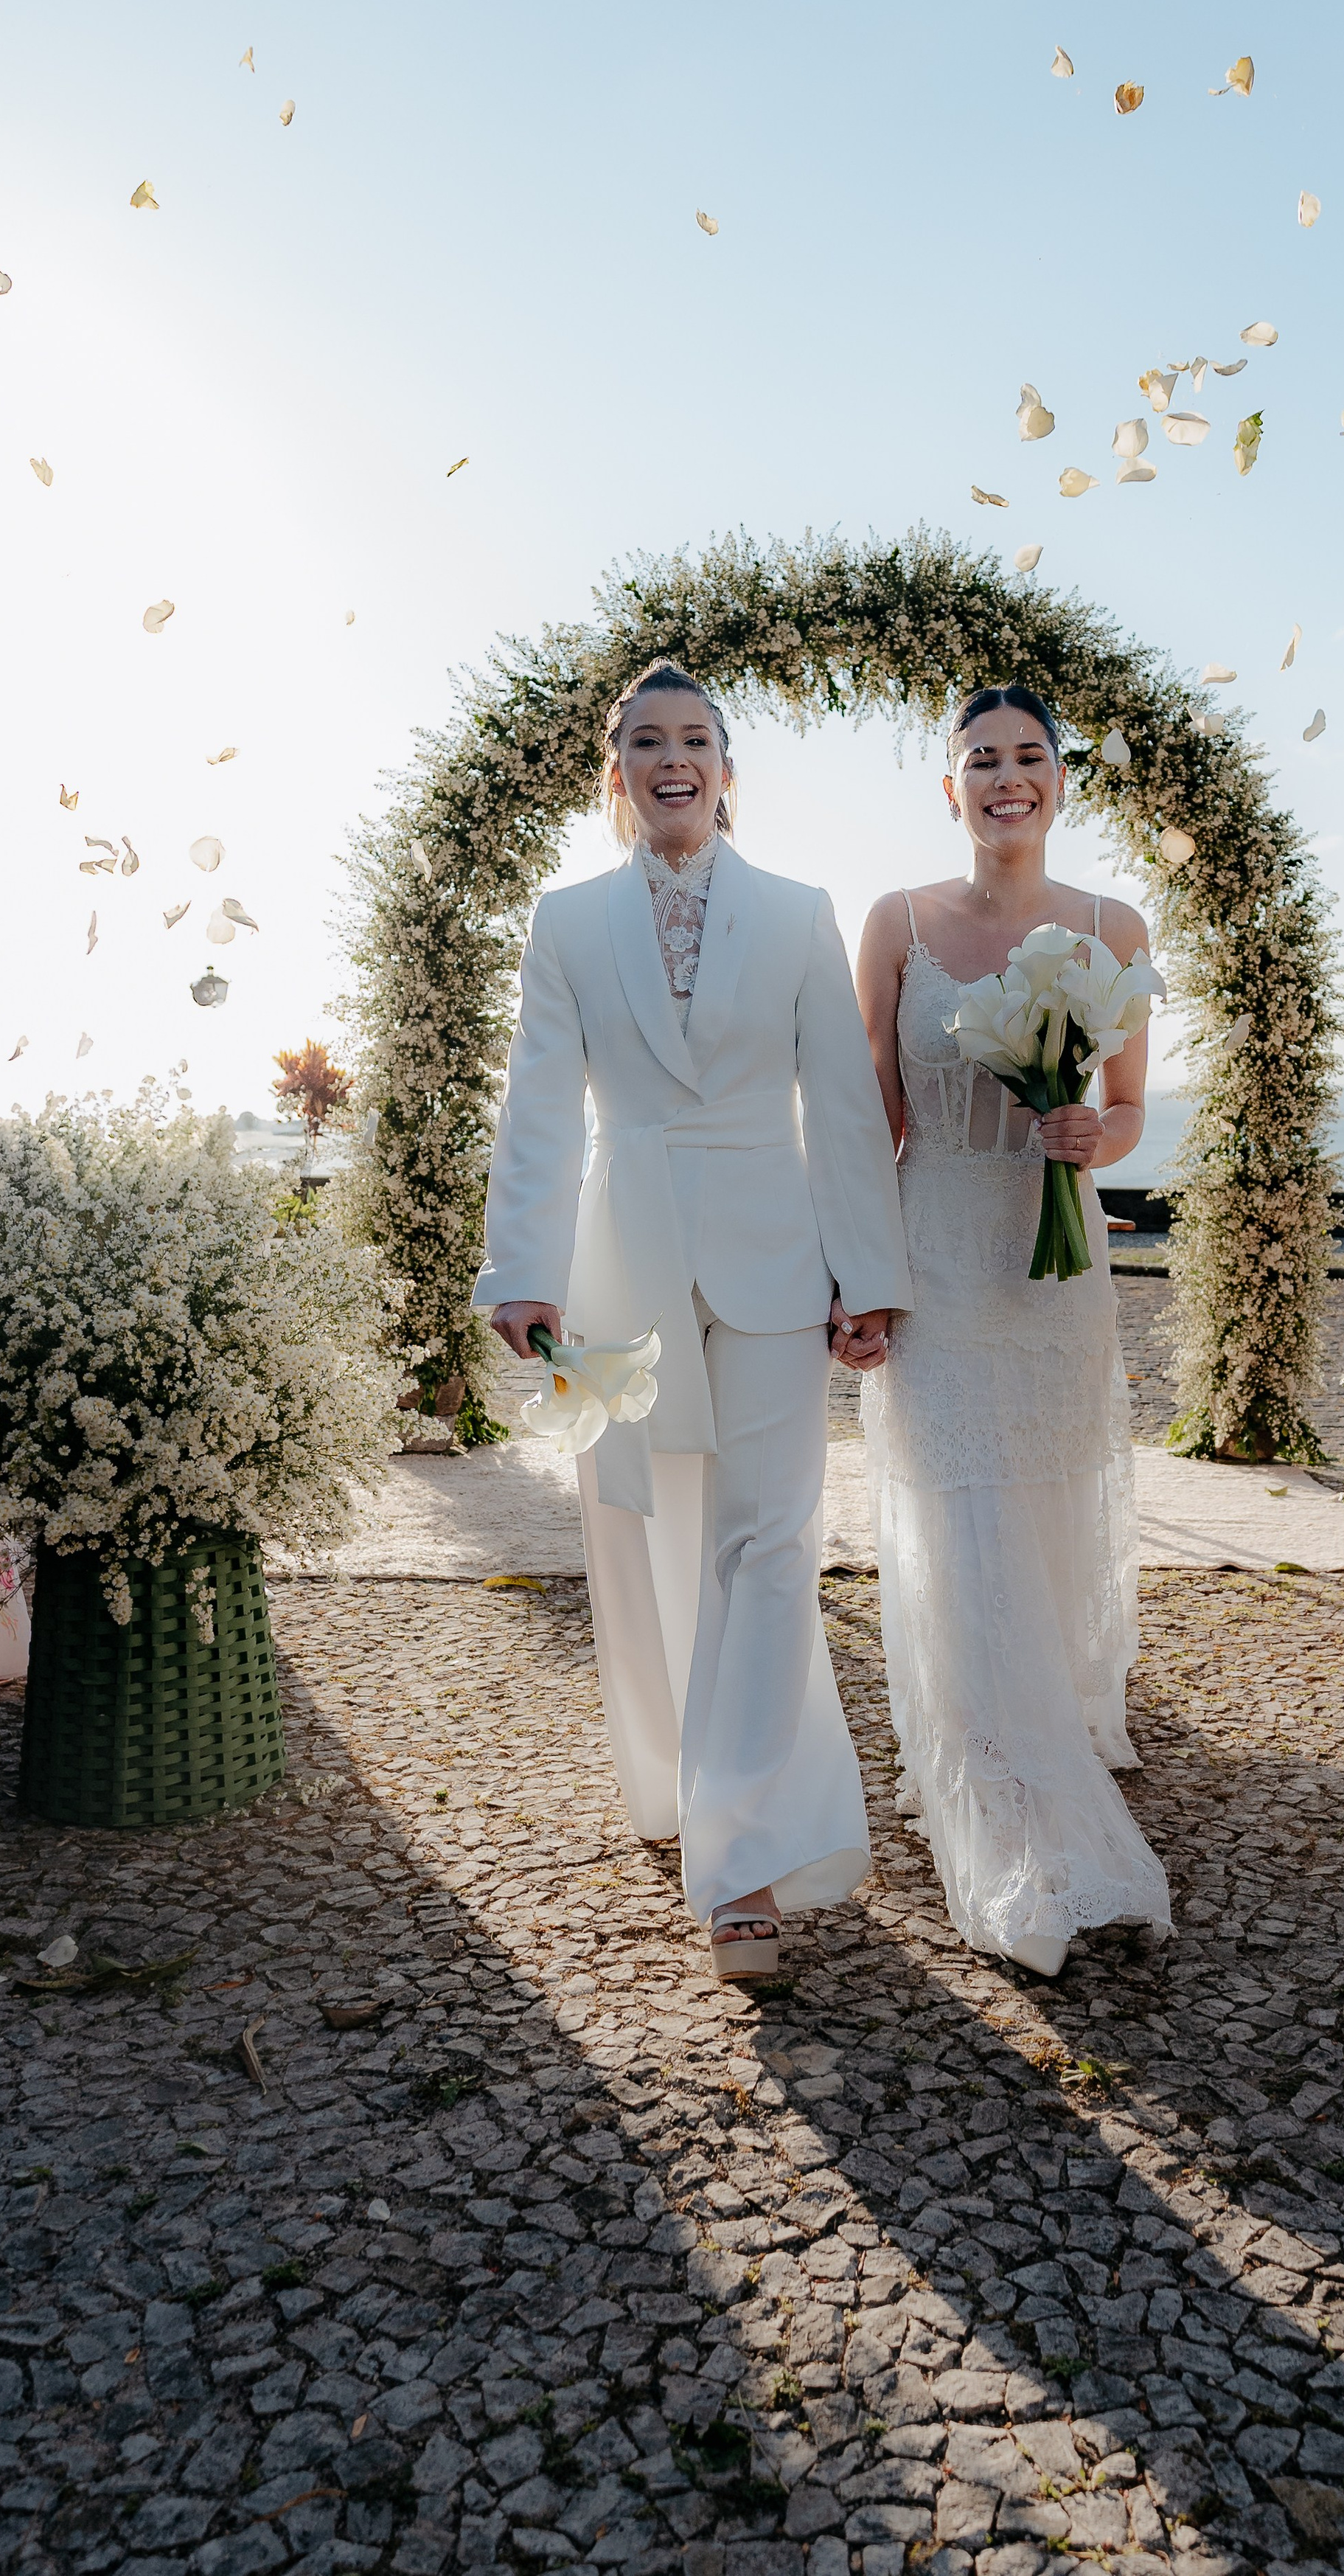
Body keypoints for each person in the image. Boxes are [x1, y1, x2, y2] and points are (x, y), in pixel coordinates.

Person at [472, 662, 911, 1981]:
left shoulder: (798, 914)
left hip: (778, 1271)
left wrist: (868, 1274)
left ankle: (740, 1865)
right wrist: (521, 1271)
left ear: (728, 772)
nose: (674, 760)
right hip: (623, 1269)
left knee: (772, 1547)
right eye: (647, 742)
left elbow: (840, 1105)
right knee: (653, 1543)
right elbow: (542, 1106)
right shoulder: (567, 922)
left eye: (697, 741)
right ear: (618, 775)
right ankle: (677, 1784)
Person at [849, 684, 1171, 1979]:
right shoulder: (896, 923)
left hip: (1055, 1269)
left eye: (1028, 757)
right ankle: (1007, 1804)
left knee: (1034, 1511)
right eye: (980, 760)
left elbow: (1134, 1102)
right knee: (960, 1519)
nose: (1006, 777)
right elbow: (877, 1117)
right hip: (936, 1262)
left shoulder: (1112, 928)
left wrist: (1100, 1133)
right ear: (950, 789)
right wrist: (857, 1278)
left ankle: (1041, 1726)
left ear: (1059, 780)